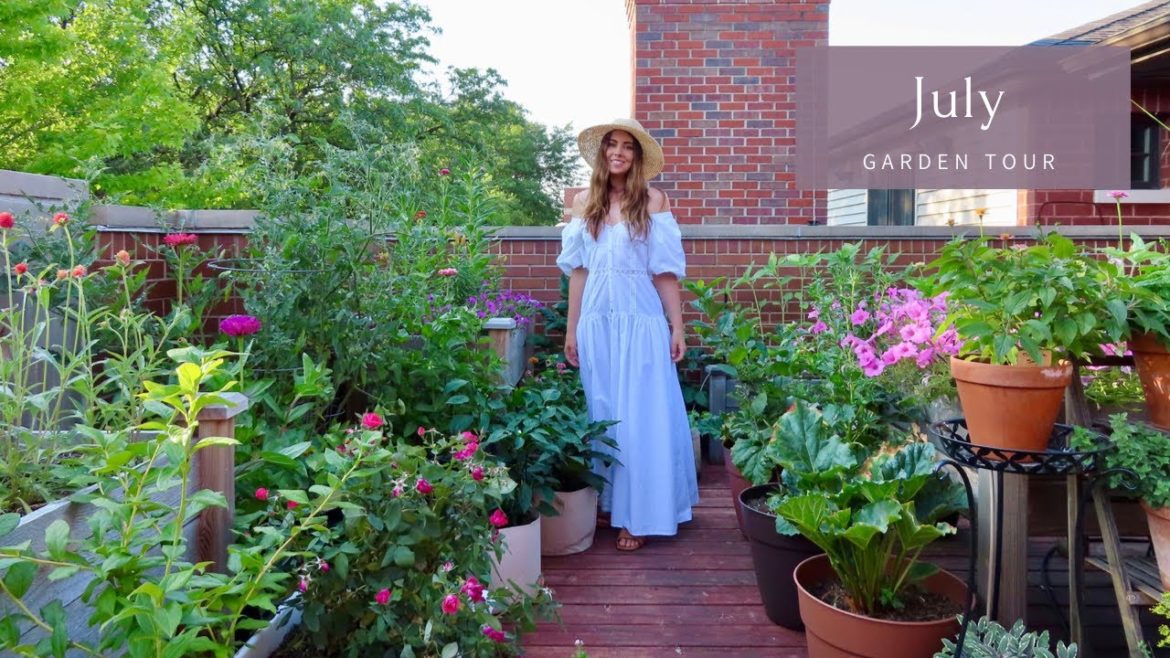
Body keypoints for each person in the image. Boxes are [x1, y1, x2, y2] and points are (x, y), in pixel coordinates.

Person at [556, 118, 699, 551]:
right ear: (602, 153)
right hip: (598, 322)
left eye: (627, 147)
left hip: (641, 322)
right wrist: (572, 329)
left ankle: (639, 516)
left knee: (641, 417)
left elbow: (666, 272)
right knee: (604, 411)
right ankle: (611, 504)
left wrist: (677, 326)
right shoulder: (585, 202)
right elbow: (579, 271)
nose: (618, 152)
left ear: (636, 157)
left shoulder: (654, 201)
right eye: (612, 145)